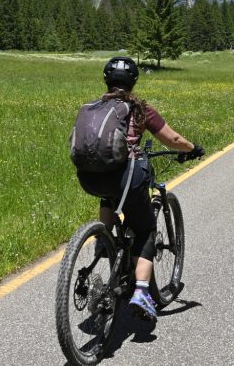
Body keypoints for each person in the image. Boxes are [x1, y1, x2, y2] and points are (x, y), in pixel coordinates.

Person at [75, 56, 203, 323]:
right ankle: (142, 292)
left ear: (106, 81)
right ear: (133, 82)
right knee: (145, 230)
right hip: (127, 178)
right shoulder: (140, 108)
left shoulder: (94, 107)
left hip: (90, 177)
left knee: (109, 195)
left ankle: (104, 240)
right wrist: (193, 149)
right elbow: (172, 139)